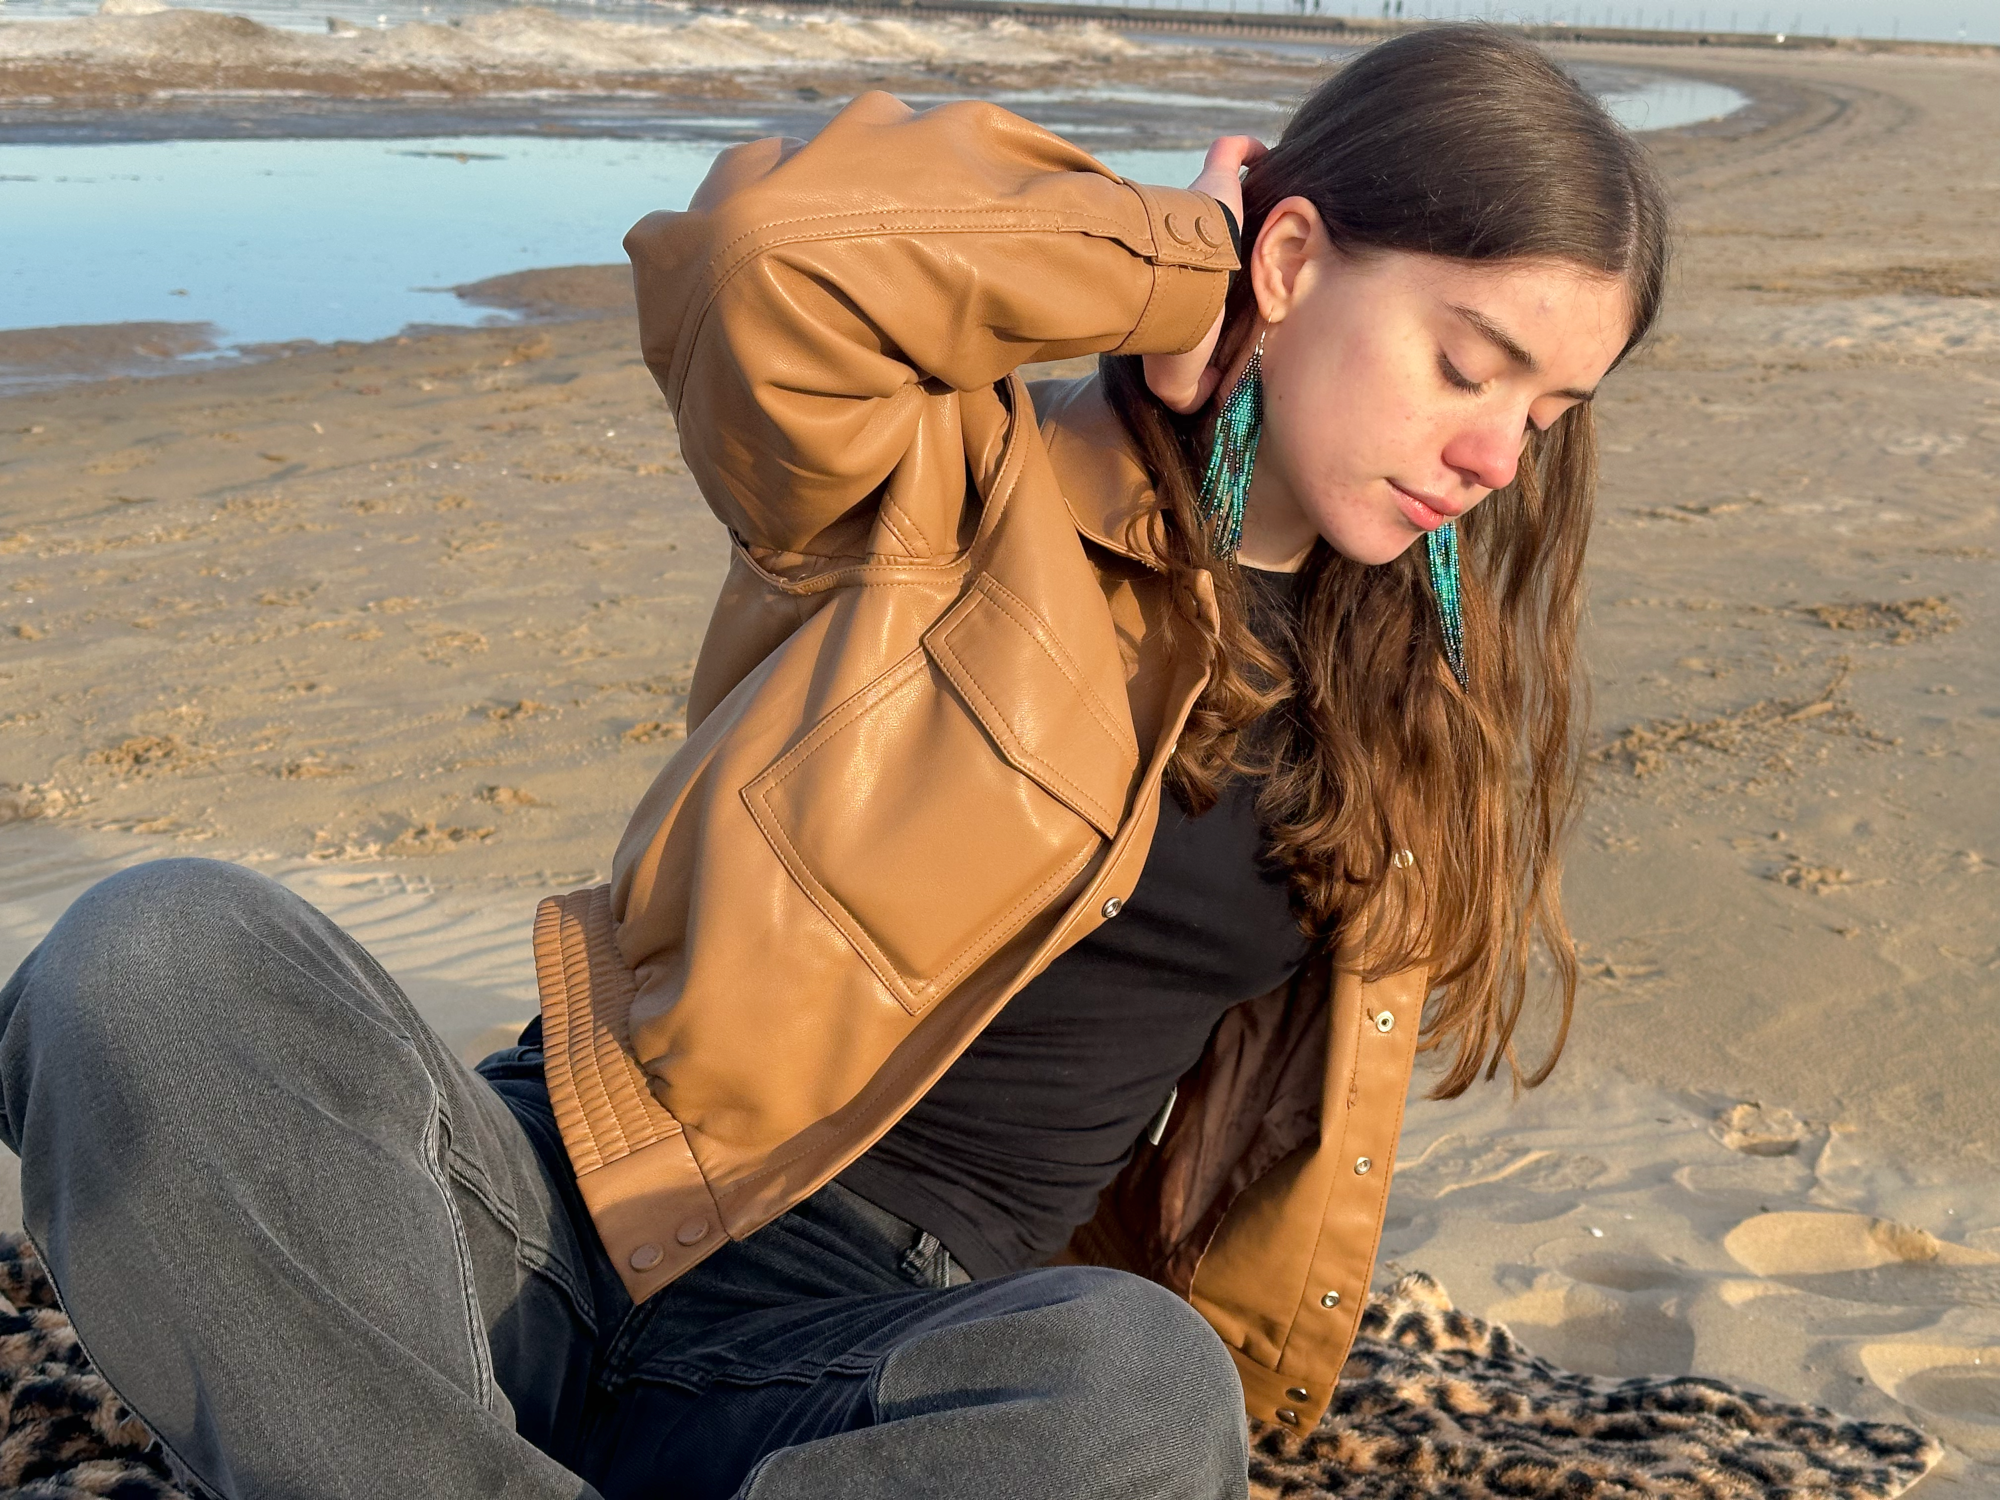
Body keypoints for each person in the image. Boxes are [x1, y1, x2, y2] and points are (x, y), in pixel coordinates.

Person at [0, 23, 1669, 1500]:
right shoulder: (953, 479)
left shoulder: (1409, 718)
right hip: (540, 1222)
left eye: (1545, 414)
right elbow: (759, 259)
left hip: (860, 1369)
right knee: (150, 958)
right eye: (1467, 364)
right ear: (1291, 259)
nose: (1492, 451)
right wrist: (1169, 260)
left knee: (1139, 1387)